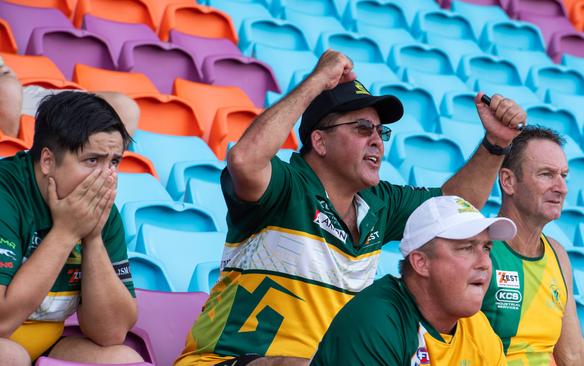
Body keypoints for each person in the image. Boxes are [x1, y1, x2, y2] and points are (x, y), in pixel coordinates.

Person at [175, 49, 527, 366]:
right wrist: (316, 82)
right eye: (362, 128)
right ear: (319, 141)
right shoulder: (286, 186)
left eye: (380, 132)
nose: (377, 141)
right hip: (223, 360)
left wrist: (495, 144)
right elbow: (244, 159)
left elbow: (453, 212)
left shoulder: (380, 203)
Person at [0, 91, 143, 364]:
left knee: (124, 359)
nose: (106, 176)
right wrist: (66, 233)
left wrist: (93, 238)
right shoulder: (5, 193)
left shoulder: (102, 210)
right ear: (47, 161)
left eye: (114, 162)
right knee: (10, 356)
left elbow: (112, 332)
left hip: (43, 344)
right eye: (92, 160)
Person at [311, 195, 516, 365]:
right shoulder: (375, 320)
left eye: (486, 248)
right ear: (421, 263)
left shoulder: (476, 326)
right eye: (467, 248)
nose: (485, 263)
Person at [480, 126, 584, 365]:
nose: (561, 188)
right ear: (508, 181)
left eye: (563, 176)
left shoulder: (557, 255)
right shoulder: (480, 248)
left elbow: (575, 356)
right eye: (546, 174)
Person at [0, 64, 140, 138]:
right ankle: (11, 152)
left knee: (123, 107)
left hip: (24, 94)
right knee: (7, 89)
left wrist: (6, 74)